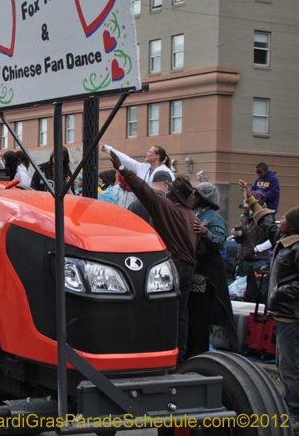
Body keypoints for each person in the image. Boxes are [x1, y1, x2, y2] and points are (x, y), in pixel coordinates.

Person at [109, 151, 199, 362]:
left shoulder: (167, 208)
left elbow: (143, 190)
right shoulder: (190, 216)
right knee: (181, 315)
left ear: (173, 194)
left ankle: (159, 354)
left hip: (174, 265)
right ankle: (180, 357)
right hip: (188, 266)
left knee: (159, 312)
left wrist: (122, 169)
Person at [240, 180, 299, 428]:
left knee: (289, 367)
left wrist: (277, 292)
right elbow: (265, 221)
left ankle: (293, 414)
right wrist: (250, 198)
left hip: (292, 317)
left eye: (285, 217)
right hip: (284, 315)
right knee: (285, 365)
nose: (280, 218)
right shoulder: (284, 239)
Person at [186, 182, 236, 358]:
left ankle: (199, 354)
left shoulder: (214, 219)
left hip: (207, 276)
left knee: (200, 317)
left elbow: (219, 243)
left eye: (195, 195)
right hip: (196, 272)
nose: (191, 198)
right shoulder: (195, 215)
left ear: (202, 198)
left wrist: (206, 232)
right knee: (192, 316)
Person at [234, 190, 271, 277]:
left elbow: (272, 239)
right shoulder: (244, 215)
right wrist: (236, 233)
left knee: (255, 286)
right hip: (243, 259)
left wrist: (258, 249)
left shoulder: (264, 218)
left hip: (257, 260)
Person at [101, 144, 174, 186]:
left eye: (150, 152)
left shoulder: (166, 171)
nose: (147, 153)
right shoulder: (141, 167)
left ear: (157, 156)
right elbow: (126, 159)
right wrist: (108, 149)